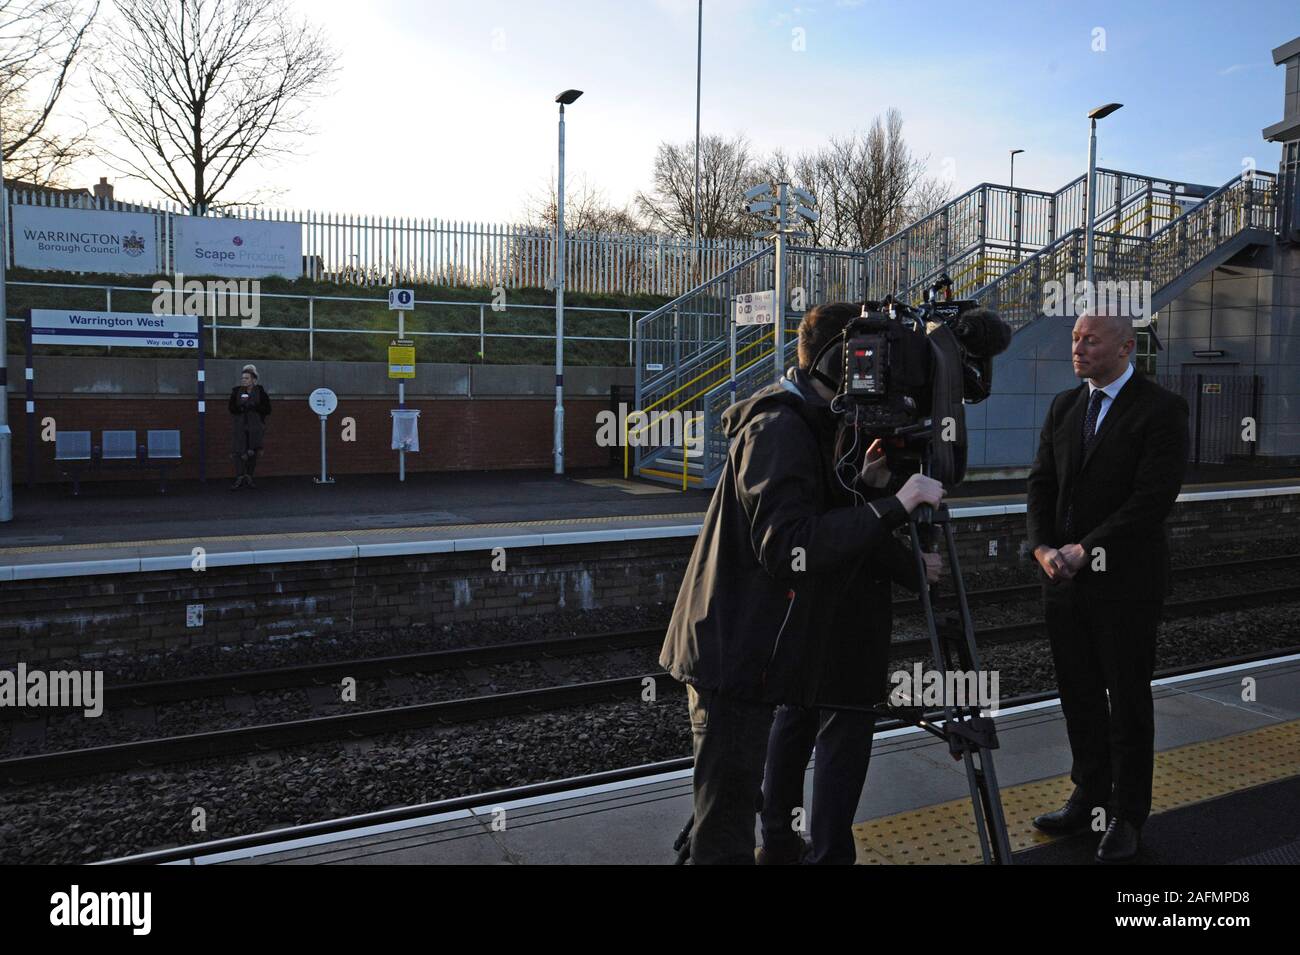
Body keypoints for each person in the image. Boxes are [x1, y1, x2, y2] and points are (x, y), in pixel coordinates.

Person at [660, 302, 946, 865]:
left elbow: (803, 518)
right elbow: (788, 547)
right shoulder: (780, 427)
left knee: (730, 807)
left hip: (746, 653)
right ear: (841, 360)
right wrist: (896, 504)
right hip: (734, 657)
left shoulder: (799, 423)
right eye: (868, 358)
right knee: (724, 831)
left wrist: (861, 484)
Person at [1026, 310, 1189, 862]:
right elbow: (1041, 484)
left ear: (1125, 348)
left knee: (1127, 699)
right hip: (1064, 583)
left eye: (1090, 340)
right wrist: (1041, 546)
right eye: (1074, 338)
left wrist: (1087, 547)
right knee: (1078, 696)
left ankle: (1127, 815)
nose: (1078, 348)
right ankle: (1088, 795)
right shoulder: (1065, 406)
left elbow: (1151, 500)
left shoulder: (1162, 410)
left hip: (1125, 584)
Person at [229, 363, 272, 489]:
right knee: (238, 451)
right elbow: (231, 408)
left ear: (253, 380)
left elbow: (268, 409)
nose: (244, 380)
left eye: (247, 378)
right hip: (240, 426)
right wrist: (240, 407)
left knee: (252, 451)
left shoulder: (261, 392)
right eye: (243, 378)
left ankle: (249, 476)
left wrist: (254, 406)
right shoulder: (236, 391)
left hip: (255, 427)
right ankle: (239, 476)